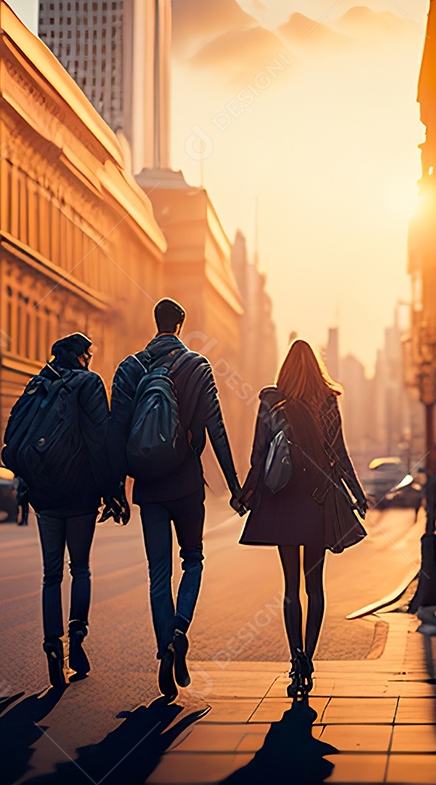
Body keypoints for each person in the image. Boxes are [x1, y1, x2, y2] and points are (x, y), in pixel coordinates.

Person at [110, 298, 246, 700]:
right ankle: (179, 631)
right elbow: (217, 429)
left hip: (148, 488)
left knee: (158, 575)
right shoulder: (198, 367)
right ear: (181, 324)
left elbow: (115, 433)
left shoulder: (130, 368)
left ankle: (163, 650)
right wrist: (235, 487)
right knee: (193, 561)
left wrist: (116, 489)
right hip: (187, 485)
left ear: (155, 324)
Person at [239, 339, 369, 698]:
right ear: (316, 368)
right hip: (318, 499)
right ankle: (309, 659)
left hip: (284, 501)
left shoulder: (271, 400)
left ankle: (295, 660)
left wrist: (245, 493)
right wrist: (356, 493)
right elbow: (339, 454)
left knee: (290, 587)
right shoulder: (328, 401)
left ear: (285, 368)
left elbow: (259, 456)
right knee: (316, 586)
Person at [3, 332, 128, 687]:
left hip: (45, 495)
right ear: (79, 356)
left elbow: (19, 438)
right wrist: (113, 491)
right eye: (88, 354)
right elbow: (100, 440)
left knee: (51, 575)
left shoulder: (36, 384)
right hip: (81, 494)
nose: (91, 359)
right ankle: (77, 637)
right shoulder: (89, 383)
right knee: (82, 568)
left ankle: (51, 645)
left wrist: (29, 485)